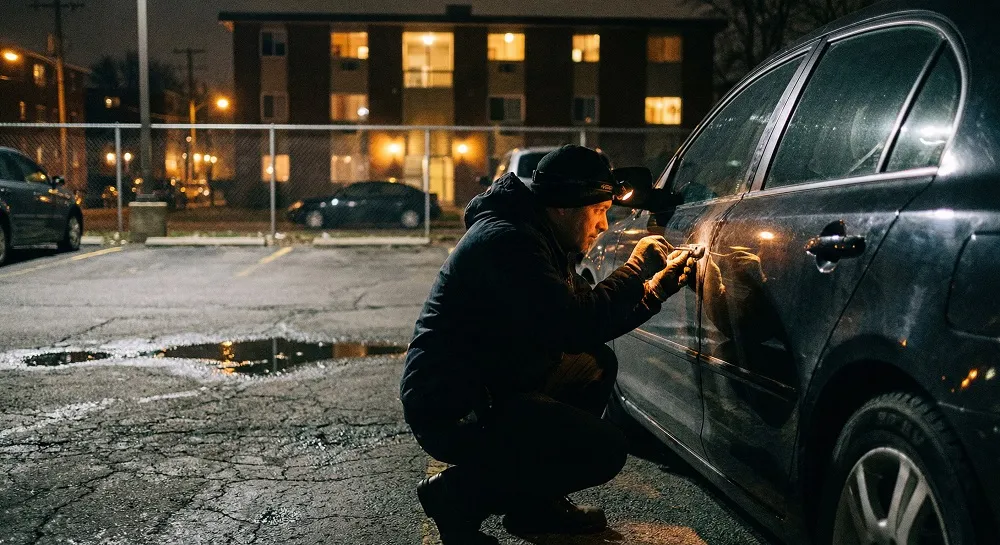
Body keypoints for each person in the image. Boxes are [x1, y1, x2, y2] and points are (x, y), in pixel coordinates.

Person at [399, 144, 694, 544]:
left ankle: (533, 509)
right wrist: (636, 268)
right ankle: (457, 494)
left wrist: (654, 291)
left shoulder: (538, 236)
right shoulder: (508, 242)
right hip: (453, 405)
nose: (604, 224)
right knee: (602, 449)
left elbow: (584, 321)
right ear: (564, 208)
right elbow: (574, 322)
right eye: (599, 211)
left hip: (490, 384)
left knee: (593, 362)